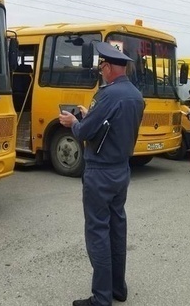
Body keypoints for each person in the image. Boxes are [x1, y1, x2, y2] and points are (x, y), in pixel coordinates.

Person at [59, 42, 145, 306]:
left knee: (97, 231)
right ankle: (118, 288)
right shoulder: (135, 95)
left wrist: (75, 122)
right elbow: (113, 127)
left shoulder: (106, 95)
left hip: (100, 172)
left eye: (101, 68)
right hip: (121, 170)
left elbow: (85, 133)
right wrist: (90, 116)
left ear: (107, 67)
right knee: (117, 229)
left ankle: (101, 297)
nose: (101, 73)